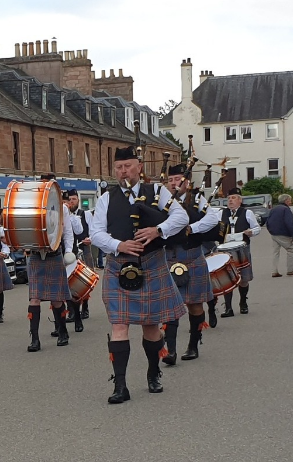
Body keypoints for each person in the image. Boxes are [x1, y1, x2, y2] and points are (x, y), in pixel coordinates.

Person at [90, 146, 188, 404]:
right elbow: (96, 233)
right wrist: (118, 245)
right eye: (118, 167)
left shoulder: (156, 191)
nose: (123, 172)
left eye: (128, 166)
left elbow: (181, 217)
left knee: (151, 325)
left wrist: (158, 230)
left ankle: (153, 372)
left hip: (152, 263)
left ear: (139, 167)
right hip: (118, 265)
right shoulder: (106, 198)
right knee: (119, 325)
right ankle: (120, 385)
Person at [161, 164, 217, 364]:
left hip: (192, 257)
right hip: (169, 258)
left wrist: (191, 228)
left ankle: (193, 345)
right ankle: (171, 351)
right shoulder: (162, 201)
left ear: (187, 181)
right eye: (170, 180)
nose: (174, 183)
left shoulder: (197, 199)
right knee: (169, 306)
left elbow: (212, 218)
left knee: (195, 304)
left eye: (178, 179)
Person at [25, 174, 76, 352]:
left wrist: (68, 251)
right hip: (36, 255)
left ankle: (63, 331)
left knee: (56, 299)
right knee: (34, 298)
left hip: (54, 254)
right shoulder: (32, 206)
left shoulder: (62, 208)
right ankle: (35, 339)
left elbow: (67, 232)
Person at [217, 188, 260, 317]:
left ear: (240, 200)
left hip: (242, 249)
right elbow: (214, 228)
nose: (230, 200)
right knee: (227, 279)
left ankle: (243, 302)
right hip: (225, 250)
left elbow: (257, 228)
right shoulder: (221, 213)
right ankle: (228, 308)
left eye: (233, 198)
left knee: (243, 279)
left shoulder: (247, 213)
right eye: (229, 198)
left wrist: (251, 232)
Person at [63, 190, 87, 331]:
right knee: (58, 289)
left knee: (73, 287)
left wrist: (70, 216)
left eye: (71, 200)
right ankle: (63, 320)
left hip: (71, 253)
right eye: (66, 201)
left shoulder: (75, 217)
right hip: (56, 254)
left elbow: (79, 231)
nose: (69, 203)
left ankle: (78, 317)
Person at [266, 193, 293, 278]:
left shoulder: (273, 209)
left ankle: (274, 271)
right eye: (290, 200)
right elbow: (289, 223)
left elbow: (268, 221)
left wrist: (270, 231)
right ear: (286, 201)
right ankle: (290, 270)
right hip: (283, 233)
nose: (291, 202)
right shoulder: (286, 209)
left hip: (274, 233)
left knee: (275, 252)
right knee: (290, 250)